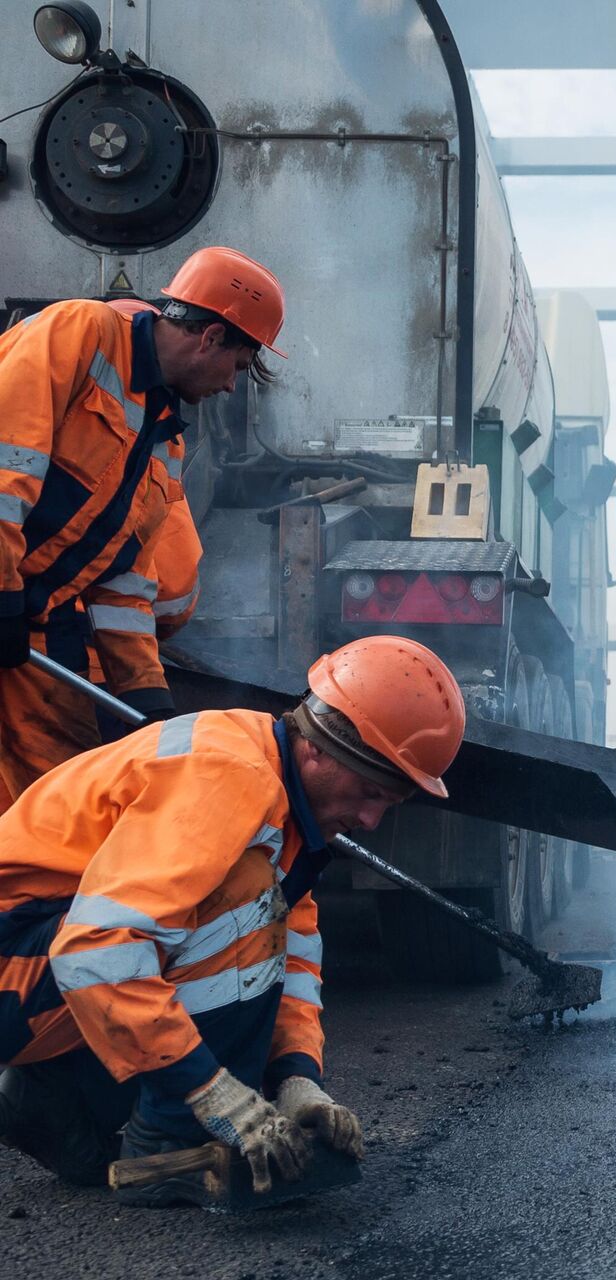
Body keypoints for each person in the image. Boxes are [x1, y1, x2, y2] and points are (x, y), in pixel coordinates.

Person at [0, 635, 465, 1205]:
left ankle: (51, 1099)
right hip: (18, 965)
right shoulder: (231, 777)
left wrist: (297, 1079)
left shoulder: (282, 798)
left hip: (31, 965)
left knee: (257, 908)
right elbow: (96, 950)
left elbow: (291, 951)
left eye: (388, 804)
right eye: (369, 792)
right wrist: (215, 1096)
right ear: (319, 748)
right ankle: (168, 1148)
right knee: (239, 897)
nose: (370, 819)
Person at [0, 247, 281, 805]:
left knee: (56, 804)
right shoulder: (79, 332)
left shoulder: (165, 441)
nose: (231, 386)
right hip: (11, 605)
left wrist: (148, 697)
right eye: (240, 366)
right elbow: (4, 474)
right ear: (210, 338)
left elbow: (122, 584)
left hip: (30, 627)